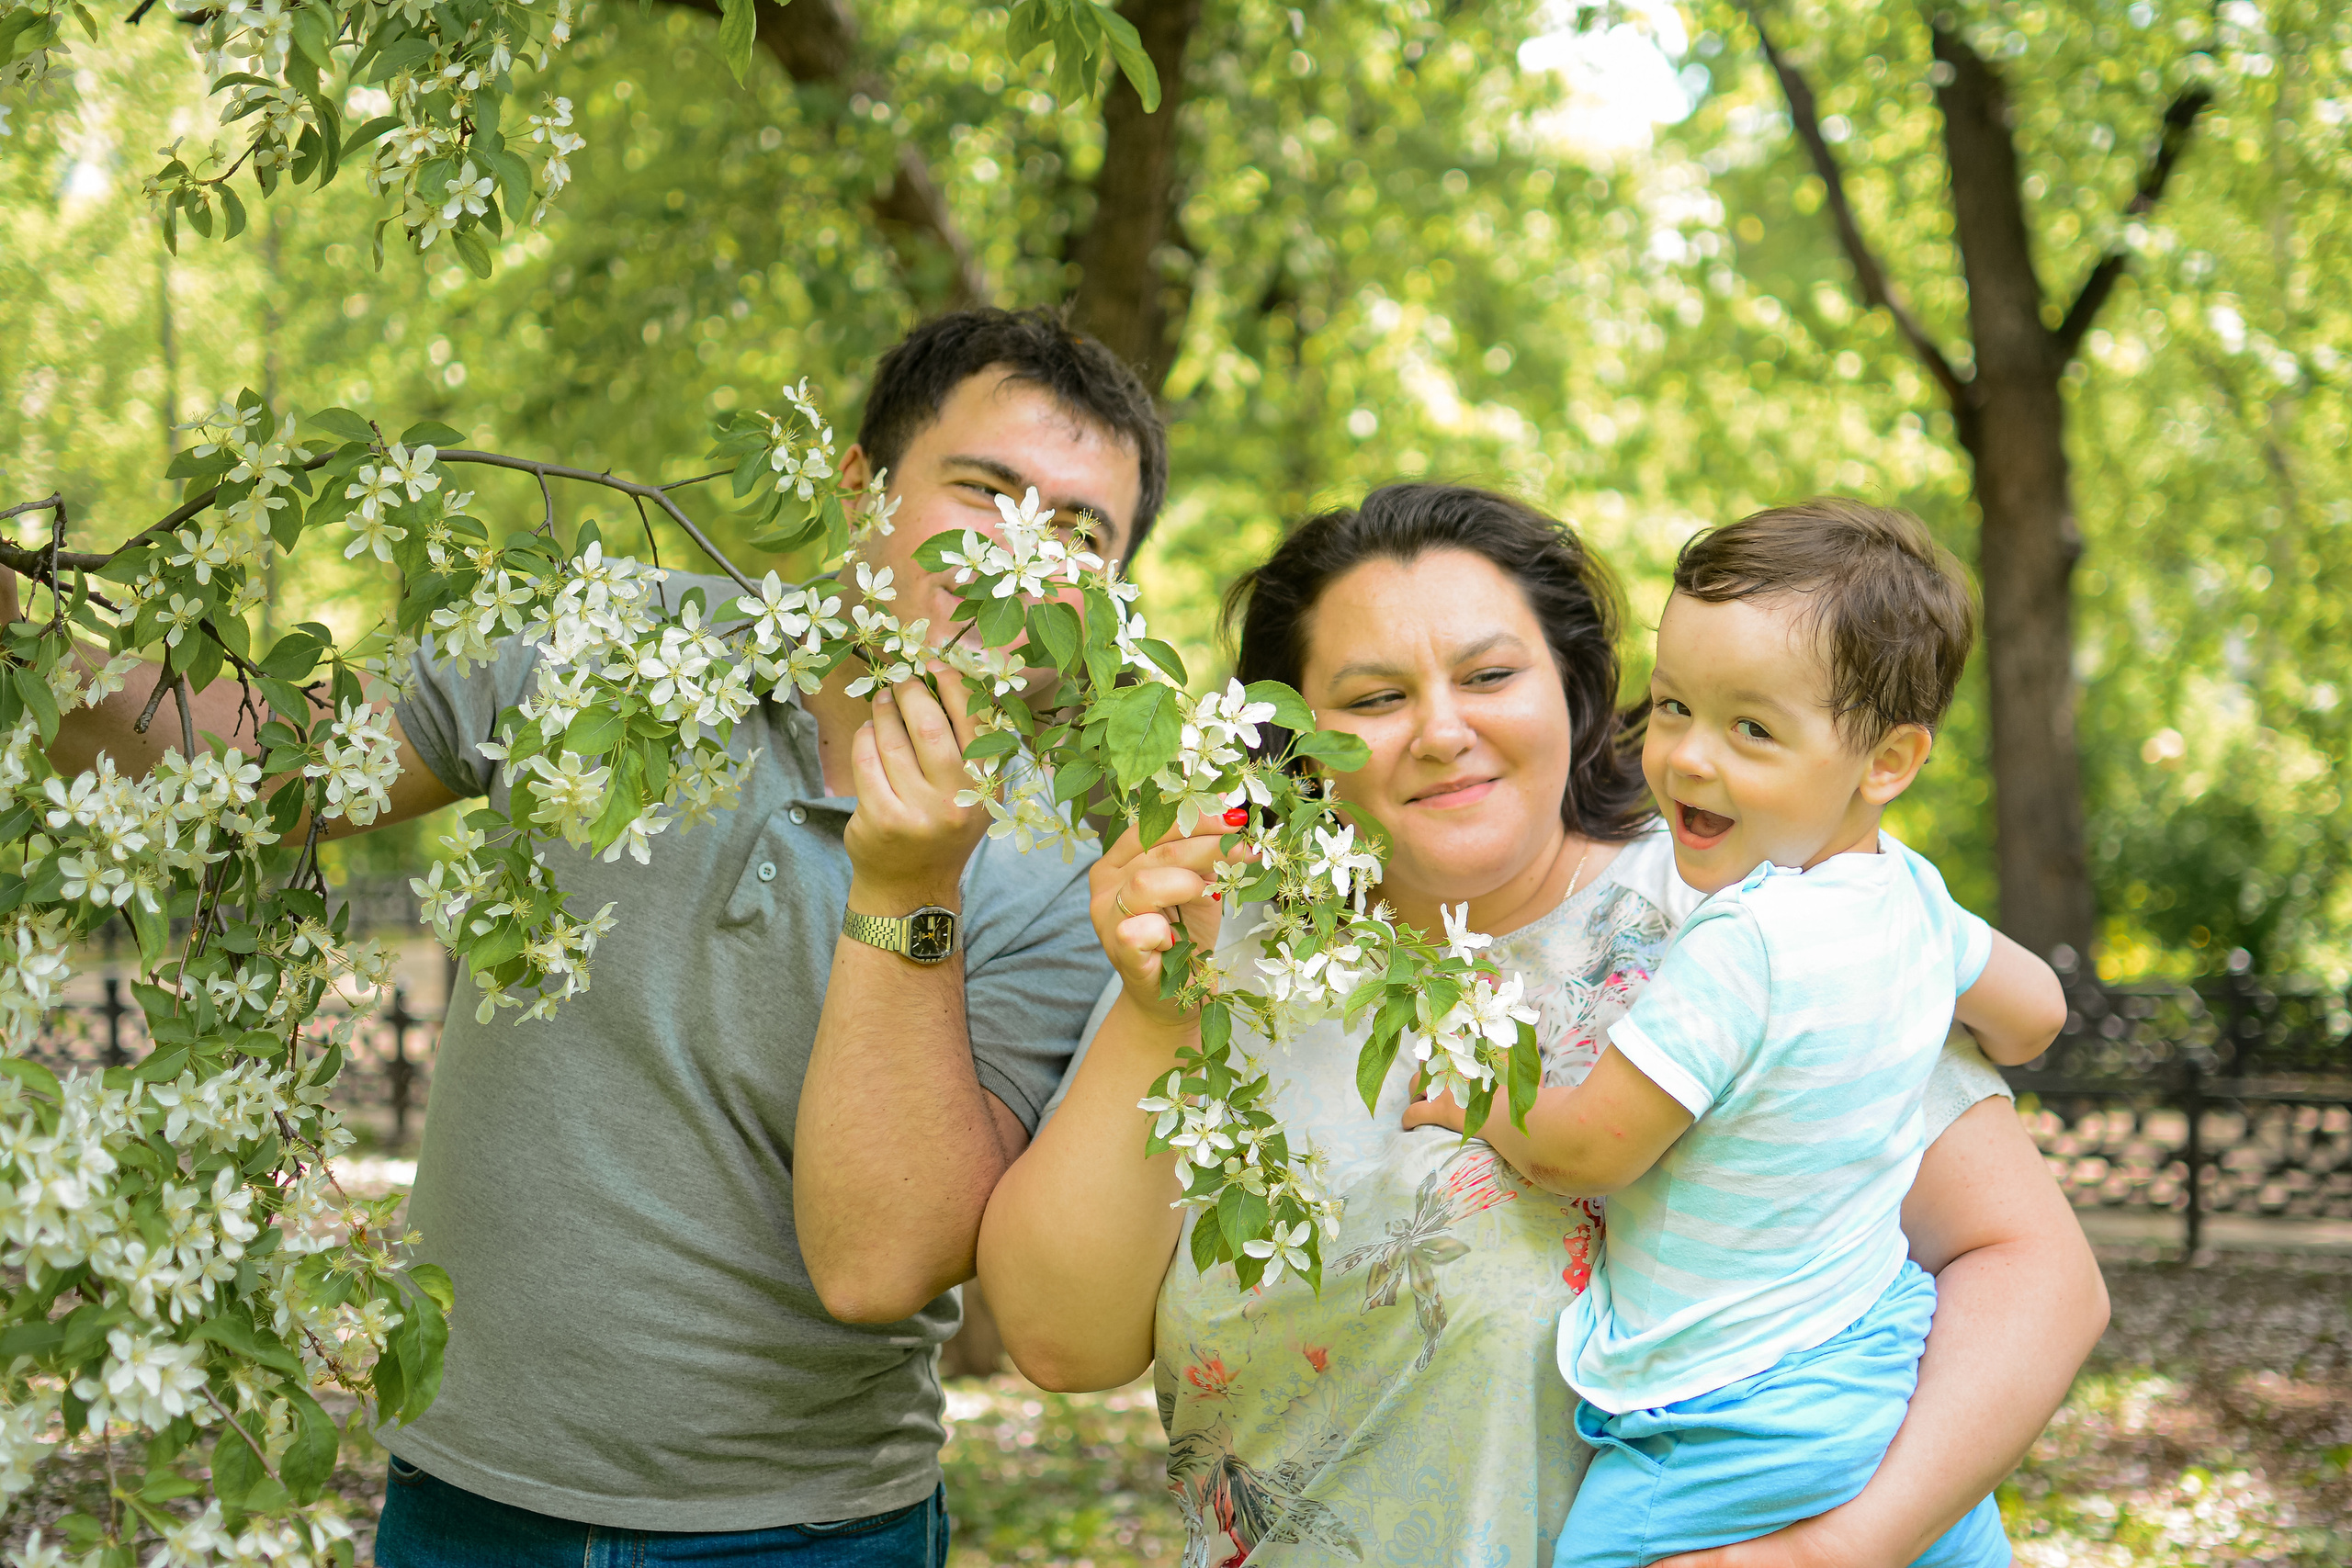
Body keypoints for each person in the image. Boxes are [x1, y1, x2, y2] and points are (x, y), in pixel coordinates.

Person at [5, 307, 1167, 1563]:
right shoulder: (605, 639)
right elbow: (264, 766)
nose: (1019, 551)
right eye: (985, 491)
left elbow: (881, 1264)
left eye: (1077, 532)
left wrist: (914, 880)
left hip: (802, 1534)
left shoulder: (1071, 876)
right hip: (465, 1500)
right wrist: (21, 636)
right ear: (858, 486)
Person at [977, 483, 2110, 1567]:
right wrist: (1159, 1016)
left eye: (1488, 675)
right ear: (1296, 740)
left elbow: (2032, 1268)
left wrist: (1854, 1548)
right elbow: (1061, 1341)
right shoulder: (1221, 950)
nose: (1440, 731)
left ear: (1572, 689)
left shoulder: (1746, 908)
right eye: (1373, 700)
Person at [1396, 500, 2064, 1567]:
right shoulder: (1915, 902)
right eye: (1673, 707)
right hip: (1881, 1365)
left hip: (1721, 1415)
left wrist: (1481, 1094)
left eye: (1751, 728)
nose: (1688, 759)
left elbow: (1589, 1149)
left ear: (1887, 761)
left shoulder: (1742, 943)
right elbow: (2035, 1017)